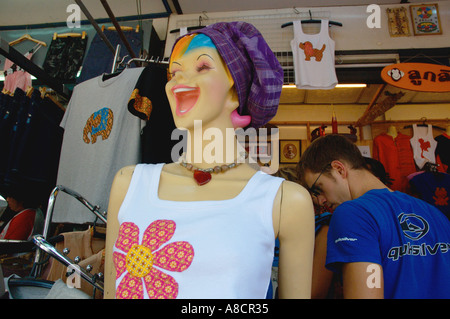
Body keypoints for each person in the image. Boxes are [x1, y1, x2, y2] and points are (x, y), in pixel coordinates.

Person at [104, 22, 315, 299]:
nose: (178, 82)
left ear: (235, 91)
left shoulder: (285, 201)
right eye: (175, 72)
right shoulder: (128, 184)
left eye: (202, 67)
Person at [297, 134, 450, 299]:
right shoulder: (434, 214)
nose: (320, 200)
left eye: (317, 188)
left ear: (339, 169)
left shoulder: (352, 214)